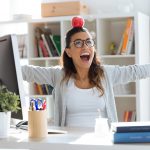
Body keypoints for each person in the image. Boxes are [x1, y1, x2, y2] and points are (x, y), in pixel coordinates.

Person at [22, 16, 150, 128]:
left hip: (101, 142)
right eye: (78, 43)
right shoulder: (58, 75)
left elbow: (135, 71)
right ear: (68, 52)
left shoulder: (106, 74)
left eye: (89, 42)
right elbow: (27, 72)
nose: (85, 46)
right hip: (69, 143)